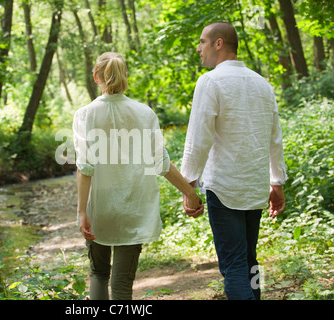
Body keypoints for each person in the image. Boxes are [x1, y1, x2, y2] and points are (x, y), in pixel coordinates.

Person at [73, 52, 204, 300]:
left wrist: (82, 211)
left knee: (98, 274)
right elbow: (162, 163)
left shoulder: (85, 115)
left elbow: (85, 168)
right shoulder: (145, 114)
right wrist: (191, 194)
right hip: (134, 207)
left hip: (99, 208)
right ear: (125, 77)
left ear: (95, 77)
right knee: (122, 282)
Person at [180, 22, 287, 300]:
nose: (198, 48)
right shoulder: (263, 84)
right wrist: (276, 181)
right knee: (250, 261)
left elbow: (198, 138)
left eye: (202, 41)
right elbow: (275, 138)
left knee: (234, 266)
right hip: (254, 187)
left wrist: (187, 184)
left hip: (225, 188)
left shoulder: (210, 81)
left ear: (218, 43)